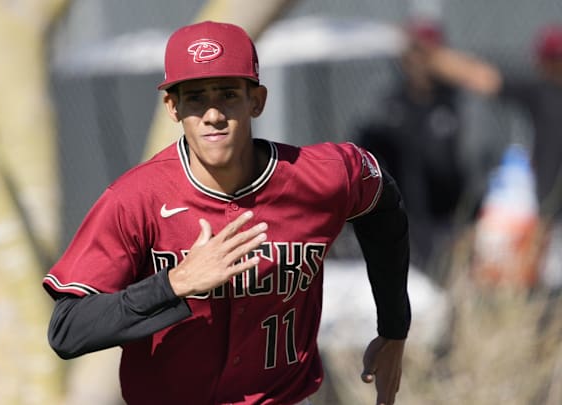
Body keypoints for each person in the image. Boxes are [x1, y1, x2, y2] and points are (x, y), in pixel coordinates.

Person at [43, 20, 411, 405]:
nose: (213, 113)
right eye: (196, 97)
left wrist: (394, 328)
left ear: (257, 100)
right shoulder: (136, 199)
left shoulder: (321, 176)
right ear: (173, 106)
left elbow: (383, 204)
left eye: (228, 95)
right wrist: (174, 283)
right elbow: (68, 330)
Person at [423, 22, 562, 287]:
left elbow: (481, 77)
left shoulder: (544, 92)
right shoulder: (542, 92)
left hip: (549, 210)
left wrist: (430, 55)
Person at [355, 18, 471, 279]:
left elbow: (474, 161)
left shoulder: (457, 103)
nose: (421, 62)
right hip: (404, 220)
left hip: (450, 221)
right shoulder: (390, 106)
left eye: (429, 54)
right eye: (416, 53)